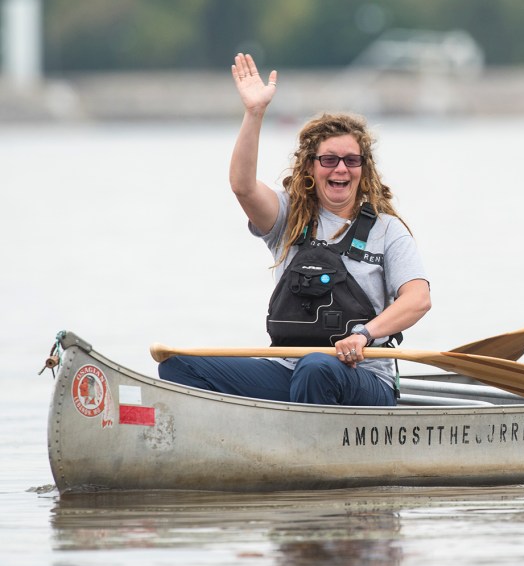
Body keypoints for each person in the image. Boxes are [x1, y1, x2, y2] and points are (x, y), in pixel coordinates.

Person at [158, 53, 431, 406]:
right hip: (288, 371)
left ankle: (303, 452)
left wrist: (364, 335)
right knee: (178, 367)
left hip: (363, 377)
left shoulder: (387, 230)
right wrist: (254, 113)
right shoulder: (289, 219)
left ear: (364, 169)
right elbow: (242, 186)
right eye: (329, 160)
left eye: (351, 160)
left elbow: (418, 300)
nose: (341, 170)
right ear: (311, 167)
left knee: (316, 367)